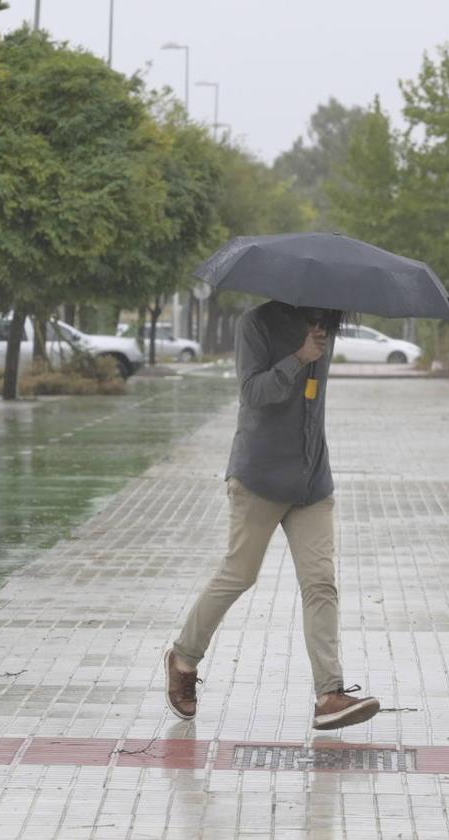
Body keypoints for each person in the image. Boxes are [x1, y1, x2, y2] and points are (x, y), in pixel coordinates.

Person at [165, 301, 381, 730]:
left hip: (311, 481)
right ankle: (183, 659)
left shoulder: (326, 324)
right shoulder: (255, 324)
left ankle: (329, 694)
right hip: (260, 475)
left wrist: (315, 347)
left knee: (320, 582)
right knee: (239, 575)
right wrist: (298, 358)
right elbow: (253, 393)